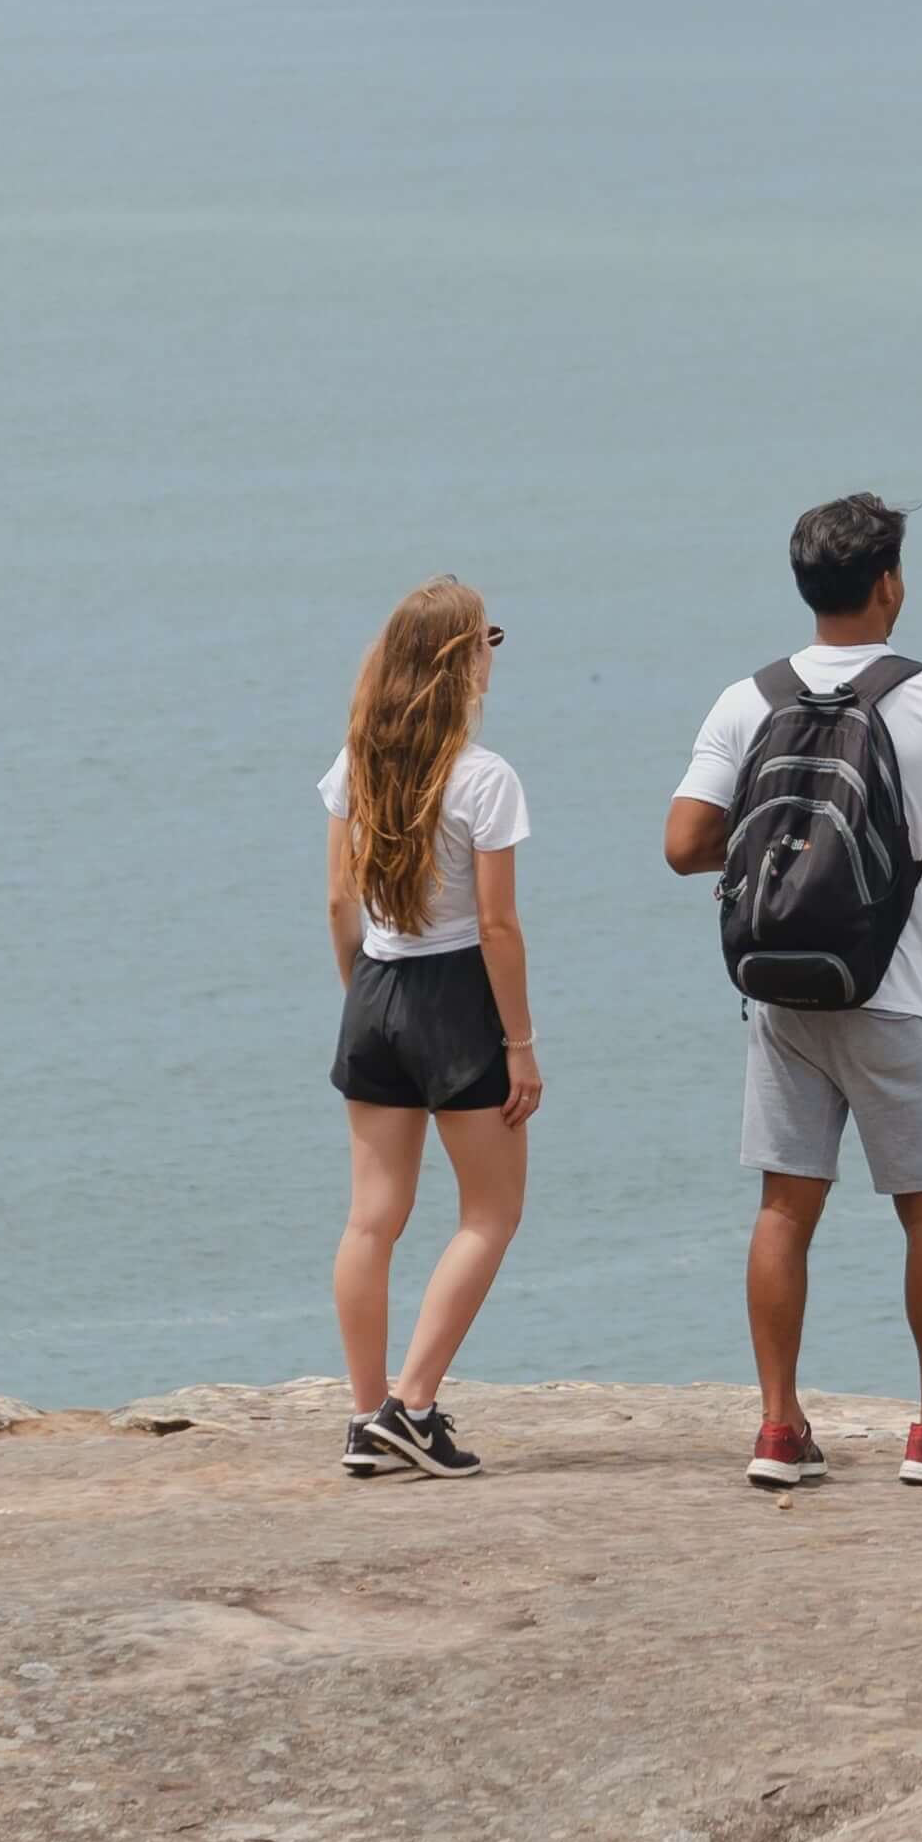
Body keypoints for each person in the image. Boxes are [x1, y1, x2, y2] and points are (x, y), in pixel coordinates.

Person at [661, 492, 922, 1489]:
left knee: (785, 1204)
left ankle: (779, 1430)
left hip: (782, 990)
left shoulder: (747, 697)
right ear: (888, 583)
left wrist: (787, 861)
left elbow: (683, 844)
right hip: (901, 993)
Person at [322, 575, 536, 1479]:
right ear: (460, 661)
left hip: (374, 990)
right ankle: (412, 1408)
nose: (495, 650)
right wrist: (519, 1045)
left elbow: (339, 899)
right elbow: (495, 928)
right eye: (488, 637)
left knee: (372, 1218)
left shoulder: (354, 762)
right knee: (489, 1214)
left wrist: (363, 993)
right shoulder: (482, 779)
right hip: (456, 1000)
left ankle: (366, 1416)